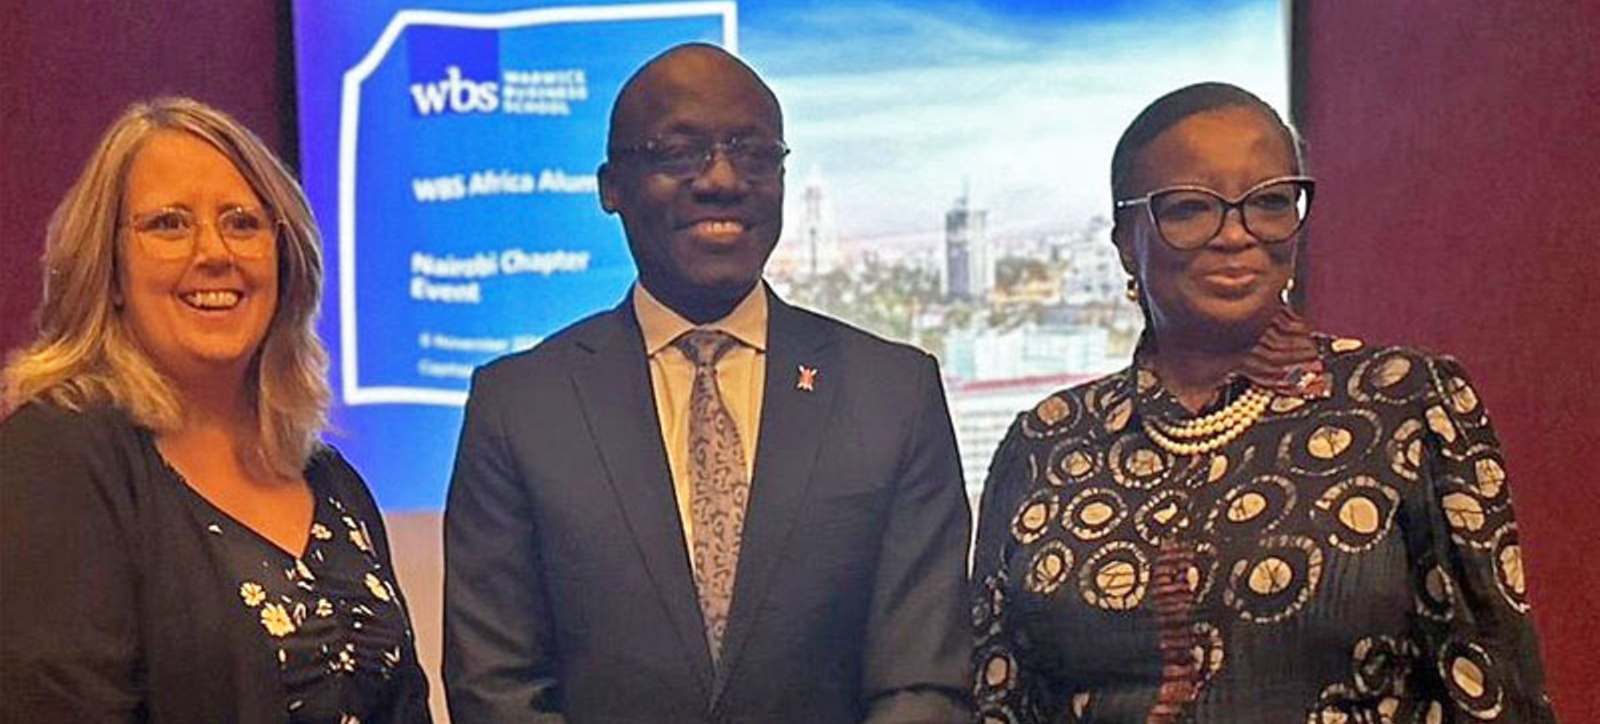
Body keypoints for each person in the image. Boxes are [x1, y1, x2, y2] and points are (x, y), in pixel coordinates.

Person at [970, 82, 1556, 723]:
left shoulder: (1404, 404)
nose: (1236, 234)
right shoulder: (1048, 441)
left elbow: (1495, 687)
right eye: (1191, 208)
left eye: (1272, 202)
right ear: (1123, 237)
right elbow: (999, 697)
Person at [443, 43, 971, 724]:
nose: (721, 180)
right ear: (611, 188)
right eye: (676, 153)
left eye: (752, 153)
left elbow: (922, 684)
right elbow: (498, 689)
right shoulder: (519, 405)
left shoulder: (892, 392)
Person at [0, 97, 431, 724]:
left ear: (285, 260)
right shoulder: (55, 461)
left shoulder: (331, 481)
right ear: (110, 270)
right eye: (169, 225)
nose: (214, 252)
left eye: (243, 222)